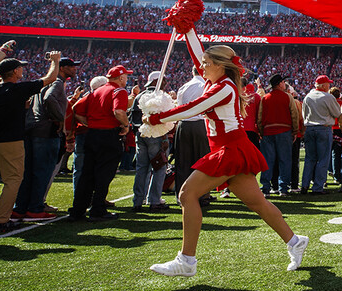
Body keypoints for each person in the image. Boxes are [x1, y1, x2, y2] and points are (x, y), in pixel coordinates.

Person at [146, 24, 307, 276]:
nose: (202, 66)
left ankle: (187, 261)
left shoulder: (223, 87)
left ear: (219, 65)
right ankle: (295, 241)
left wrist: (158, 118)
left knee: (187, 194)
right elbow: (198, 54)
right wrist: (187, 28)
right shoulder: (218, 79)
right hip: (232, 147)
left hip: (229, 149)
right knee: (258, 203)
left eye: (207, 63)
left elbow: (194, 108)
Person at [0, 54, 60, 234]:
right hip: (10, 141)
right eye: (20, 67)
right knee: (13, 180)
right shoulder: (19, 89)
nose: (22, 70)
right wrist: (55, 60)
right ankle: (0, 220)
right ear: (14, 72)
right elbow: (50, 78)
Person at [15, 56, 79, 220]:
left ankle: (20, 208)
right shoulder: (57, 82)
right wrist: (59, 118)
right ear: (62, 68)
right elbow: (49, 99)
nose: (75, 69)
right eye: (71, 66)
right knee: (42, 172)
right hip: (46, 132)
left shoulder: (45, 81)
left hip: (33, 130)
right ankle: (35, 209)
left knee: (28, 172)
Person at [69, 63, 132, 222]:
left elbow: (76, 109)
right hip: (109, 135)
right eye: (126, 76)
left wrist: (90, 123)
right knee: (105, 174)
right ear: (121, 77)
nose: (127, 79)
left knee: (87, 173)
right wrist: (125, 125)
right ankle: (98, 209)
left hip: (92, 134)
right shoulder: (119, 90)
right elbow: (118, 111)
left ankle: (78, 210)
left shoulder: (97, 91)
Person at [130, 71, 170, 212]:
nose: (165, 83)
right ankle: (154, 200)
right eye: (163, 80)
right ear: (156, 81)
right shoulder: (160, 96)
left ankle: (138, 201)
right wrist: (164, 138)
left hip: (140, 135)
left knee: (142, 168)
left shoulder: (139, 96)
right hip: (156, 135)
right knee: (159, 167)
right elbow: (163, 120)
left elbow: (133, 117)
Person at [258, 74, 300, 196]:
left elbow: (260, 118)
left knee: (268, 160)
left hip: (268, 132)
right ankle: (283, 188)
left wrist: (261, 132)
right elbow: (294, 115)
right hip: (284, 131)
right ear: (280, 84)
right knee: (285, 160)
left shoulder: (265, 98)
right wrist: (295, 131)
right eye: (283, 82)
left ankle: (266, 187)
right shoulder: (287, 97)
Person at [173, 68, 211, 203]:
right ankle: (201, 195)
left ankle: (182, 195)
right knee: (202, 162)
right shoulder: (205, 86)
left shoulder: (184, 86)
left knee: (183, 161)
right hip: (199, 124)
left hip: (184, 125)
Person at [300, 75, 341, 194]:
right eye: (327, 84)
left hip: (310, 128)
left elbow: (304, 114)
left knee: (310, 158)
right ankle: (318, 187)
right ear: (323, 86)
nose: (329, 86)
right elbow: (337, 113)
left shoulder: (308, 96)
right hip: (323, 128)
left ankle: (305, 185)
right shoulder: (328, 97)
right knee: (323, 159)